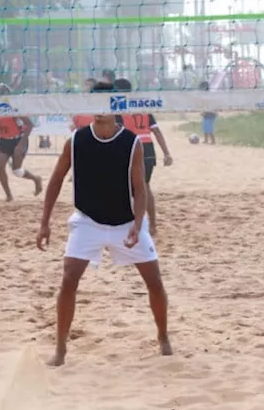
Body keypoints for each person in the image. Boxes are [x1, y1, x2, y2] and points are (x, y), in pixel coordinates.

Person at [35, 82, 171, 367]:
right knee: (69, 278)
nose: (99, 109)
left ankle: (163, 337)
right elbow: (57, 179)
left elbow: (140, 188)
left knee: (154, 281)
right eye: (94, 103)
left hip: (125, 222)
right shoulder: (77, 141)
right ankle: (60, 349)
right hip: (88, 221)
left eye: (106, 103)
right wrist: (44, 222)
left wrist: (138, 223)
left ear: (116, 106)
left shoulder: (131, 142)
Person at [112, 78, 172, 237]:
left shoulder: (118, 106)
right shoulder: (143, 107)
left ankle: (132, 222)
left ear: (118, 91)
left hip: (131, 147)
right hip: (147, 148)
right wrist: (166, 152)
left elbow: (115, 132)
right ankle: (152, 225)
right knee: (144, 186)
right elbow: (157, 131)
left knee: (127, 187)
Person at [0, 114, 43, 201]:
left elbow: (30, 125)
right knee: (0, 166)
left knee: (17, 171)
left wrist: (21, 143)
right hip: (4, 141)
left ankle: (36, 179)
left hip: (18, 140)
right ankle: (9, 195)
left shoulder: (14, 109)